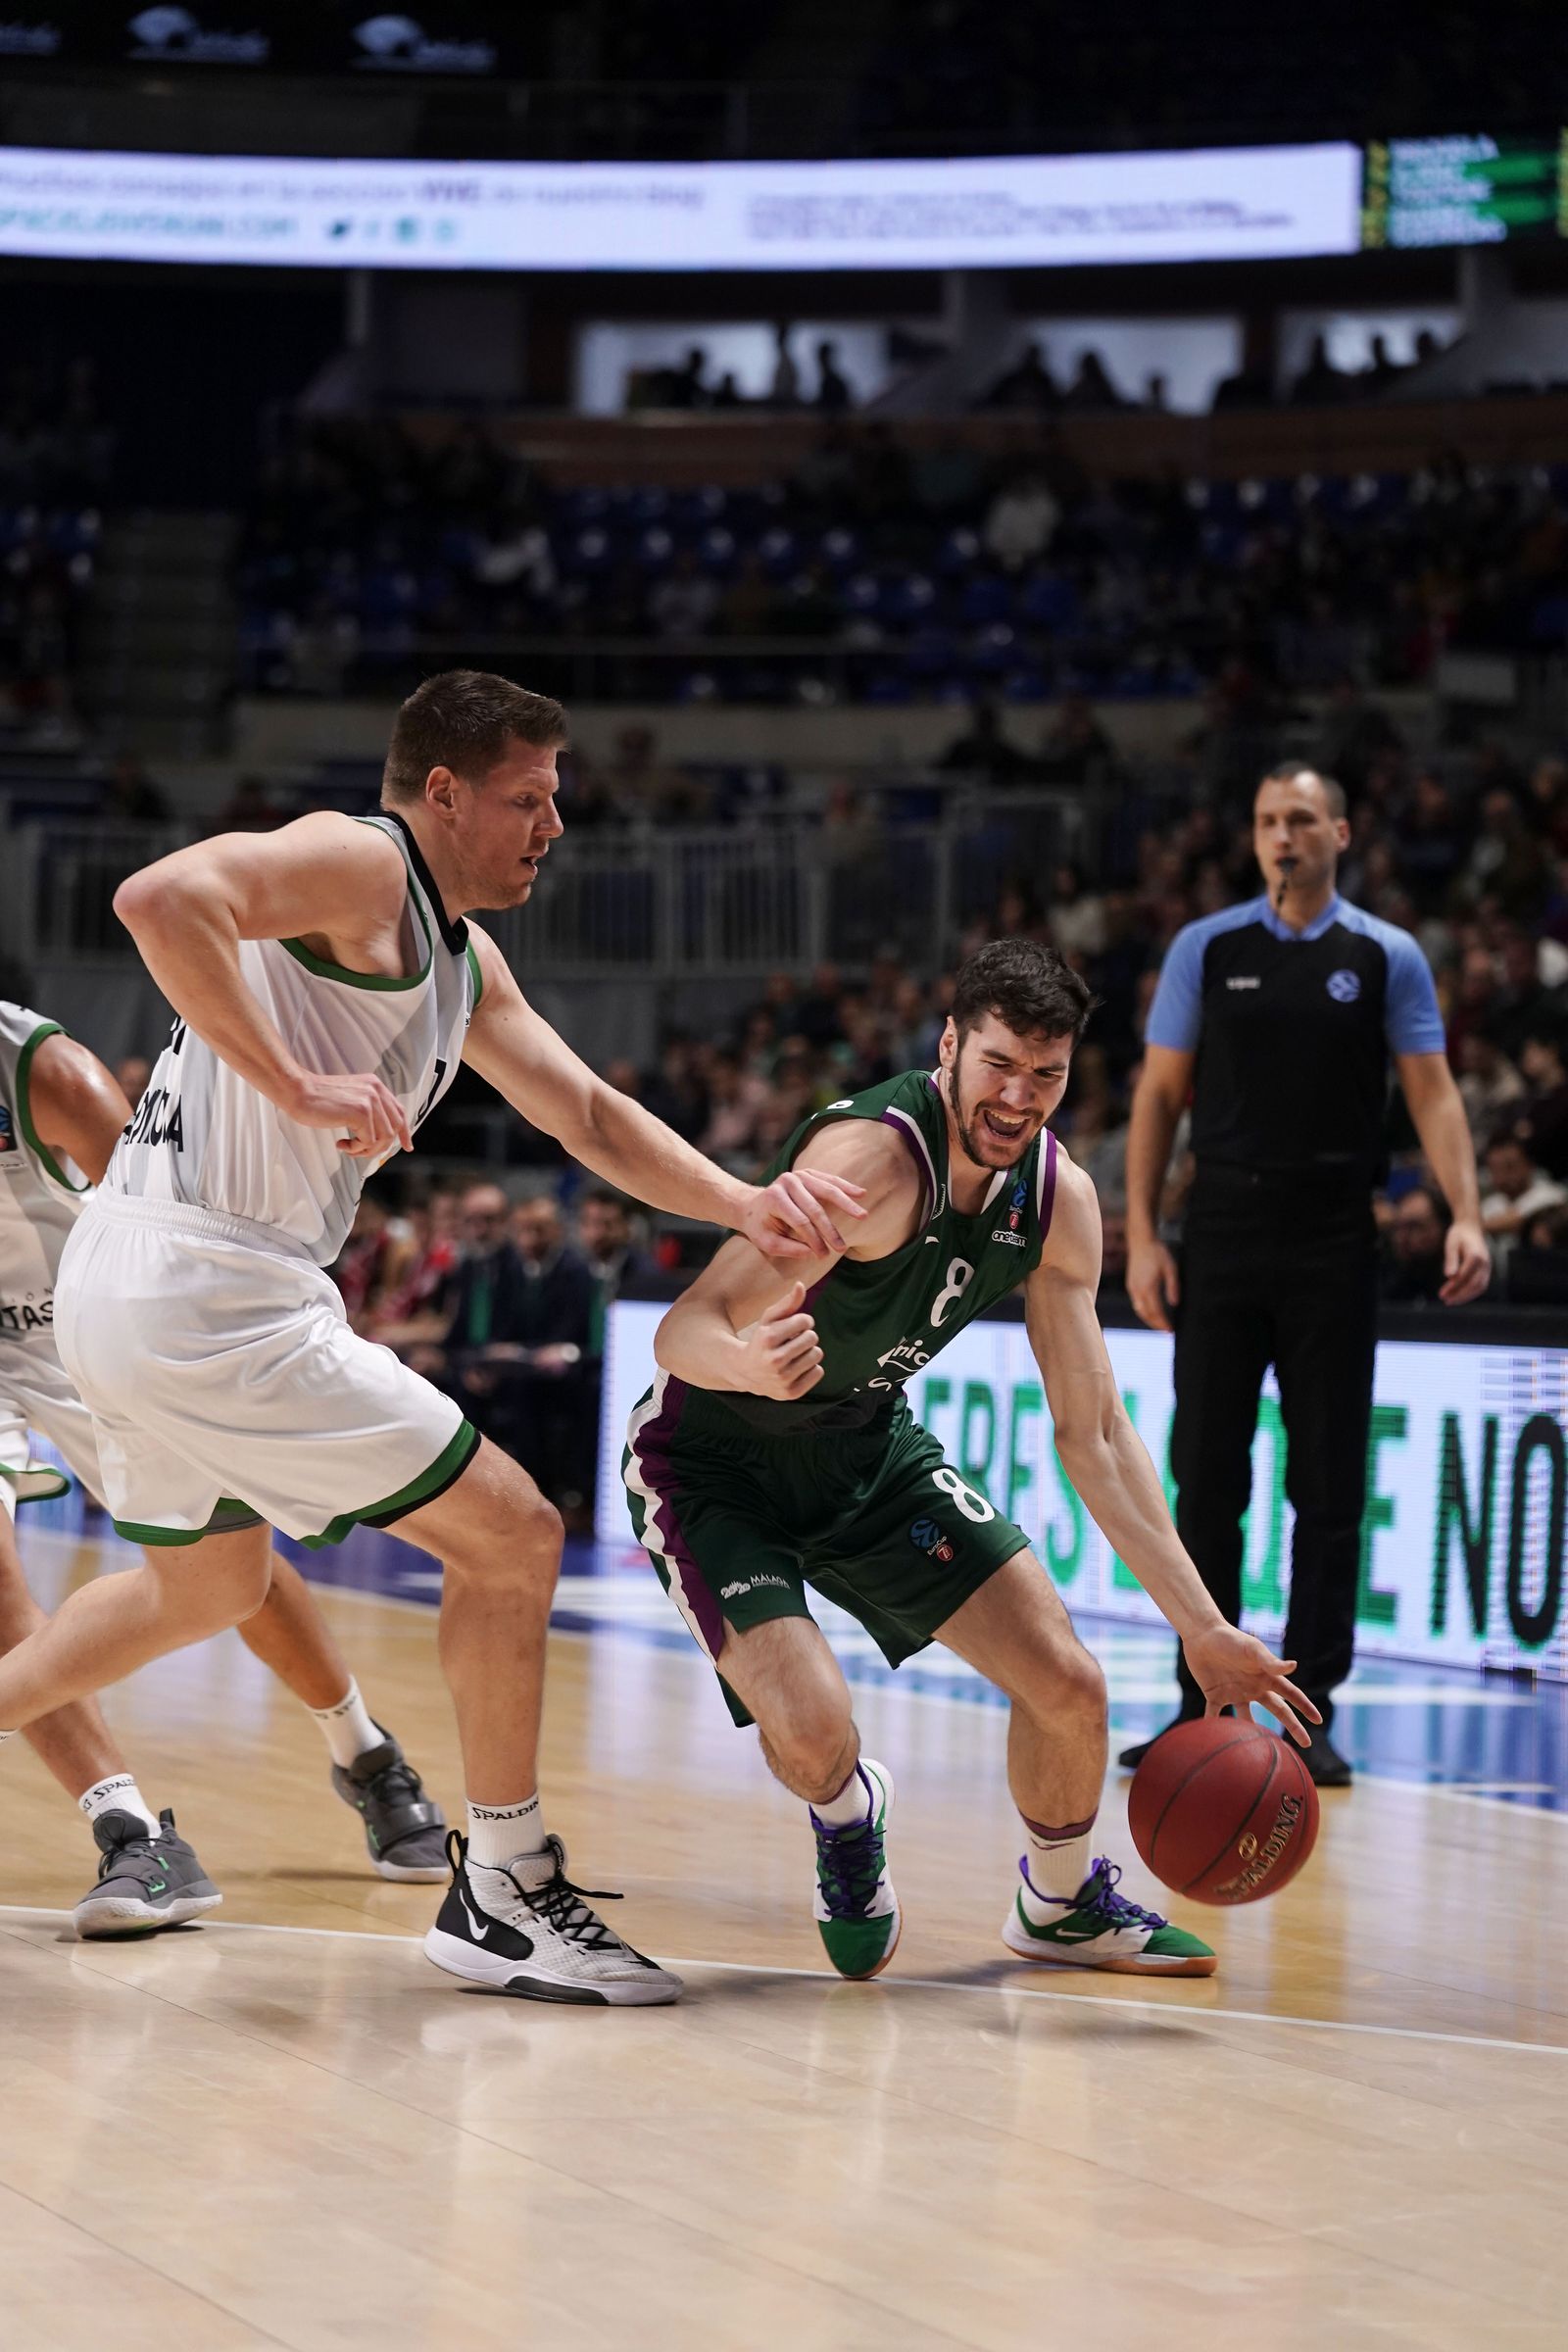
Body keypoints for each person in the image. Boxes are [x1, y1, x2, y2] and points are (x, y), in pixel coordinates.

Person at [0, 670, 861, 2007]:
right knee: (513, 1534)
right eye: (528, 799)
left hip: (129, 1280)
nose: (553, 827)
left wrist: (743, 1199)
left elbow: (585, 1113)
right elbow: (159, 899)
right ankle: (507, 1888)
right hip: (210, 1286)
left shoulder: (462, 962)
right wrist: (292, 1081)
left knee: (207, 1589)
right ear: (444, 795)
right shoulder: (363, 863)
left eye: (558, 801)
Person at [623, 939, 1314, 1984]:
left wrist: (1201, 1625)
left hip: (861, 1447)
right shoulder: (866, 1167)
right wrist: (748, 1367)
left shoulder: (1057, 1201)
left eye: (1047, 1076)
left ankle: (1060, 1902)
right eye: (998, 1064)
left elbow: (1096, 1436)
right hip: (713, 1461)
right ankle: (848, 1813)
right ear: (949, 1045)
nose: (1018, 1097)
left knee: (1070, 1685)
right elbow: (685, 1329)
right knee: (812, 1732)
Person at [0, 998, 451, 1934]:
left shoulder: (42, 1071)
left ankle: (363, 1752)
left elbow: (147, 1209)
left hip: (87, 1323)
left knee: (223, 1564)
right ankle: (131, 1832)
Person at [1122, 766, 1492, 1788]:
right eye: (1263, 822)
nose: (1280, 836)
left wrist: (1465, 1213)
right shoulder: (1207, 945)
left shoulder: (1386, 954)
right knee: (1206, 1477)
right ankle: (1200, 1703)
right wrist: (1146, 1235)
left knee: (1328, 1485)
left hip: (1334, 1231)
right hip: (1224, 1225)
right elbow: (1157, 1097)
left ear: (1338, 830)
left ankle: (1307, 1712)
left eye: (1297, 820)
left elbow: (1435, 1093)